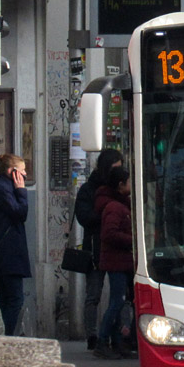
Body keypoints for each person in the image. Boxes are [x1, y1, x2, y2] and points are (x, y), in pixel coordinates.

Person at [74, 148, 123, 350]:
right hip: (96, 247)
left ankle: (116, 334)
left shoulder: (118, 188)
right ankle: (92, 335)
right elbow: (83, 217)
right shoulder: (89, 189)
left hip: (114, 247)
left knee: (118, 295)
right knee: (93, 294)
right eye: (115, 168)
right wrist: (106, 217)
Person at [0, 153, 30, 336]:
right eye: (23, 171)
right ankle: (6, 336)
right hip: (9, 254)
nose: (25, 175)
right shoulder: (4, 189)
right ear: (13, 172)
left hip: (7, 253)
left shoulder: (3, 187)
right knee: (14, 300)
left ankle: (0, 334)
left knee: (4, 298)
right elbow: (20, 213)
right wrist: (22, 191)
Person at [95, 165, 134, 359]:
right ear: (120, 185)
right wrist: (133, 240)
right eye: (128, 182)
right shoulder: (114, 207)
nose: (131, 185)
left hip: (122, 262)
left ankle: (118, 342)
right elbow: (109, 234)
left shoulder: (122, 204)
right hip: (116, 262)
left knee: (121, 303)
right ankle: (103, 341)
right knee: (116, 303)